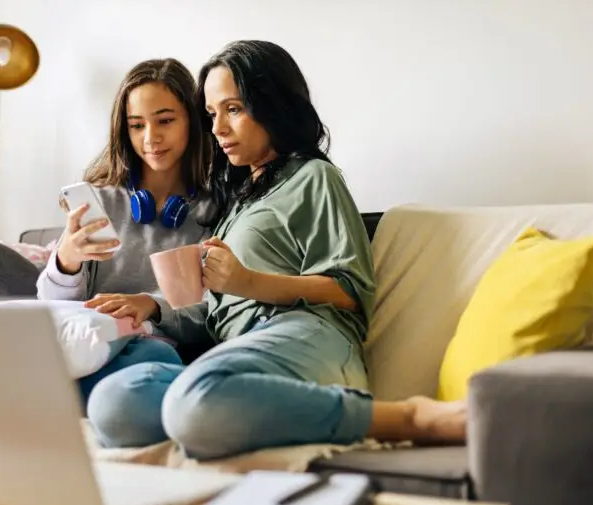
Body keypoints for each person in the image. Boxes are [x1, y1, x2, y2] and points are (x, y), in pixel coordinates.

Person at [86, 41, 467, 458]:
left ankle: (408, 418)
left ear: (272, 105)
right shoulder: (236, 204)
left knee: (193, 398)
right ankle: (228, 415)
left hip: (305, 335)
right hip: (237, 349)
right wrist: (154, 305)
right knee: (115, 402)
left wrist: (248, 281)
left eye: (233, 109)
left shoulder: (313, 177)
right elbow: (214, 309)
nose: (217, 129)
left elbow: (350, 291)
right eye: (212, 114)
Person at [36, 58, 214, 405]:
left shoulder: (217, 211)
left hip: (154, 349)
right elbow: (55, 308)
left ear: (192, 122)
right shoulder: (99, 201)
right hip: (89, 345)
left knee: (158, 362)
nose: (151, 138)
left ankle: (52, 396)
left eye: (165, 120)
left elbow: (215, 313)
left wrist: (150, 305)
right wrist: (67, 261)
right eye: (136, 125)